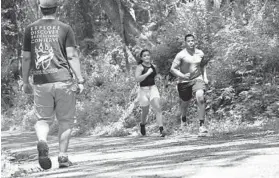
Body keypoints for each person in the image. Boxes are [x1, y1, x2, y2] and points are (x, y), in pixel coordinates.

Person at [22, 0, 85, 169]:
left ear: (40, 9)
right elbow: (71, 56)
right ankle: (63, 157)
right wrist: (80, 79)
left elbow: (26, 57)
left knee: (43, 119)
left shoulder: (30, 29)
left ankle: (42, 141)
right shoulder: (65, 28)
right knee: (65, 120)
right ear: (56, 9)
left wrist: (25, 81)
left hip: (41, 81)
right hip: (63, 80)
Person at [170, 34, 209, 135]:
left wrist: (205, 77)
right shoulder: (181, 55)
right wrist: (182, 75)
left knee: (200, 97)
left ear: (195, 41)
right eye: (189, 41)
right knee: (185, 103)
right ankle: (183, 120)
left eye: (192, 40)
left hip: (197, 78)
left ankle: (201, 125)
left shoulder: (200, 53)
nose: (191, 42)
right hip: (184, 82)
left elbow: (203, 65)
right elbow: (173, 69)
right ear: (185, 42)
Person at [135, 49, 166, 137]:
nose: (147, 57)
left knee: (158, 108)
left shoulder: (153, 66)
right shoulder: (140, 67)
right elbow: (137, 79)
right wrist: (147, 73)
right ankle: (142, 124)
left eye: (148, 55)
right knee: (145, 111)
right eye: (144, 55)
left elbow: (156, 76)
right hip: (143, 90)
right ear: (141, 58)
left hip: (153, 88)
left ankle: (161, 130)